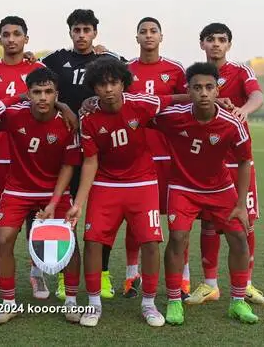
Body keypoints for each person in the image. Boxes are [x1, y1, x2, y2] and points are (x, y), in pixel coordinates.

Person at [67, 57, 177, 327]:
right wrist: (79, 203)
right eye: (102, 84)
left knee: (151, 242)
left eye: (113, 82)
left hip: (143, 184)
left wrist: (217, 101)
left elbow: (175, 98)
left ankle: (149, 304)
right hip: (106, 186)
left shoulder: (142, 103)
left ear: (123, 83)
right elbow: (90, 161)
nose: (108, 89)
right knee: (92, 241)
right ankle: (93, 304)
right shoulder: (88, 116)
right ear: (94, 88)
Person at [152, 62, 258, 325]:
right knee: (177, 238)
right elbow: (137, 110)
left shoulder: (232, 122)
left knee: (238, 238)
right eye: (197, 87)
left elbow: (245, 161)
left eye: (209, 87)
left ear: (217, 89)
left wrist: (241, 203)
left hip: (220, 188)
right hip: (183, 188)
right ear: (188, 89)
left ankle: (237, 302)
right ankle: (175, 301)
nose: (203, 93)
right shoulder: (172, 116)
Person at [186, 23, 264, 307]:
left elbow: (257, 96)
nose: (216, 44)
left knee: (245, 221)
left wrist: (242, 112)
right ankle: (210, 285)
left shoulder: (241, 71)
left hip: (239, 161)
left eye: (222, 40)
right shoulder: (197, 74)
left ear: (229, 45)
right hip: (208, 162)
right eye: (210, 40)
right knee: (209, 222)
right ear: (202, 44)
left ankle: (245, 283)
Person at [41, 9, 122, 300]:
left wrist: (109, 52)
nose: (82, 35)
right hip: (64, 149)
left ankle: (101, 273)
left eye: (87, 30)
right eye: (76, 30)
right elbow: (35, 79)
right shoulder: (56, 60)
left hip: (101, 150)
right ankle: (67, 276)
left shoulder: (106, 61)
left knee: (103, 217)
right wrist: (62, 107)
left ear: (95, 33)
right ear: (70, 32)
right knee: (67, 213)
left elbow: (127, 79)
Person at [0, 67, 82, 324]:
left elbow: (68, 165)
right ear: (28, 94)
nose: (43, 97)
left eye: (49, 92)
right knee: (5, 239)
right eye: (37, 92)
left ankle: (72, 301)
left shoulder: (67, 123)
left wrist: (54, 202)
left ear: (56, 94)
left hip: (55, 191)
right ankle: (9, 302)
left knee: (70, 243)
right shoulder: (13, 115)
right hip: (17, 189)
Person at [0, 16, 47, 300]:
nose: (12, 39)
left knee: (34, 215)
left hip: (33, 155)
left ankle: (36, 273)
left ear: (26, 39)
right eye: (6, 34)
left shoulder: (40, 69)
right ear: (0, 39)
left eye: (17, 34)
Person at [122, 17, 188, 298]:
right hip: (136, 153)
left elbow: (189, 99)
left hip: (169, 153)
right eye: (143, 32)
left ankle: (183, 278)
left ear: (161, 36)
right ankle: (130, 274)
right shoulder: (125, 70)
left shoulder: (175, 70)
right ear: (136, 38)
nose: (148, 36)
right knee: (135, 217)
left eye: (153, 31)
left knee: (177, 219)